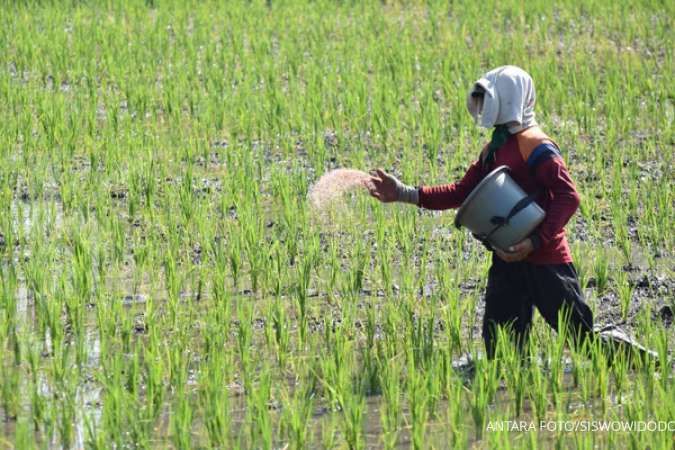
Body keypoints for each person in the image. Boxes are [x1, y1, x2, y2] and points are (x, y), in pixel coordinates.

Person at [366, 65, 611, 362]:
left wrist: (534, 242)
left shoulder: (537, 146)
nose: (481, 106)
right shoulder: (494, 149)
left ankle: (645, 364)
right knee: (501, 350)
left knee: (582, 338)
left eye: (487, 98)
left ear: (509, 99)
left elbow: (568, 196)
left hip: (546, 261)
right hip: (507, 258)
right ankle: (514, 401)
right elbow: (461, 192)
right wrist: (403, 193)